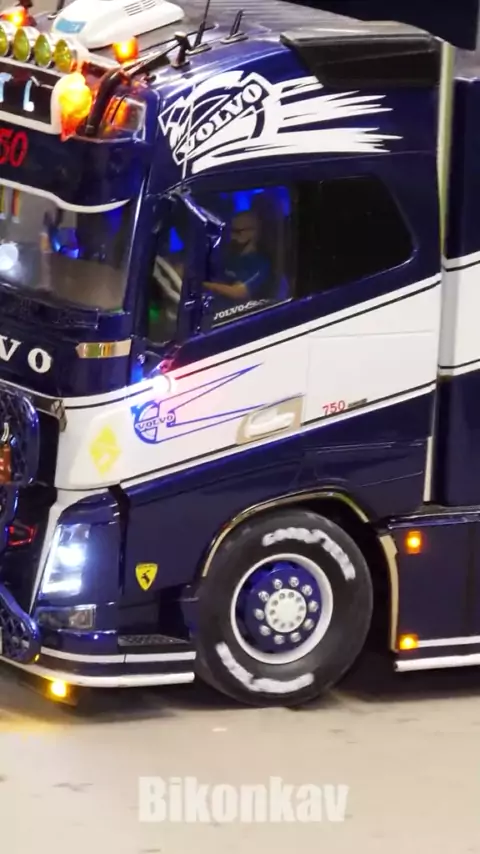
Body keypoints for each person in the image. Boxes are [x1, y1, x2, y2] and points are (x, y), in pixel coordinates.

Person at [204, 210, 271, 316]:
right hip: (209, 309)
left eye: (237, 231)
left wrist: (203, 285)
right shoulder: (228, 255)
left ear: (253, 233)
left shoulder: (259, 263)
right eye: (231, 231)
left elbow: (239, 292)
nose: (232, 236)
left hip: (235, 315)